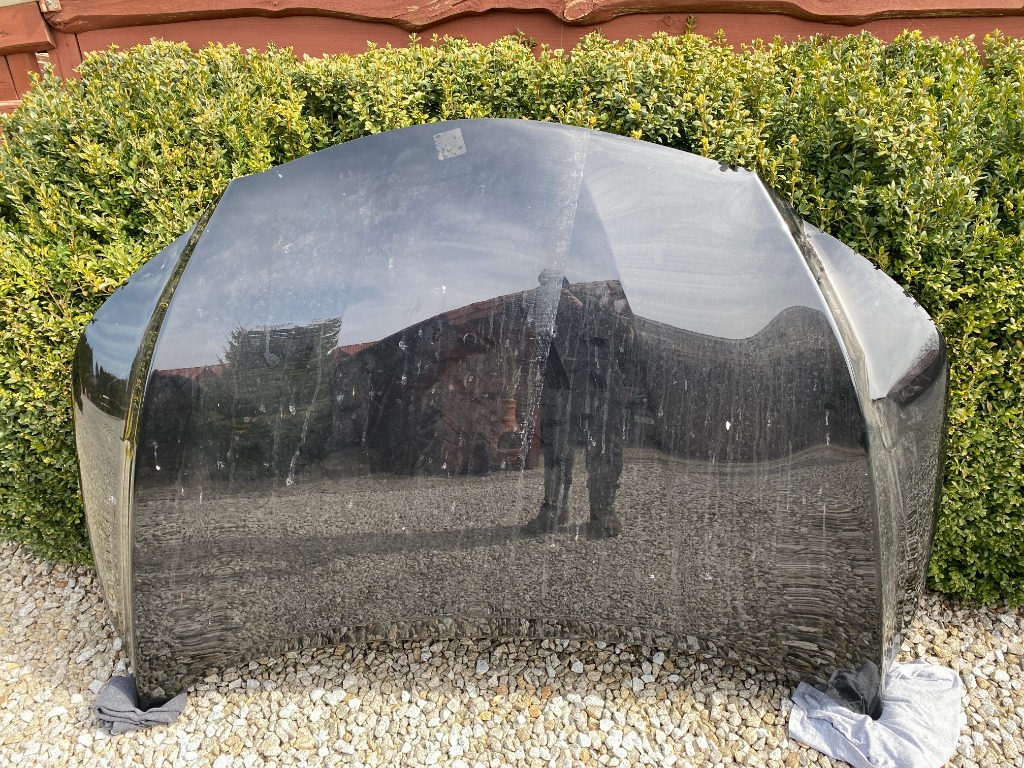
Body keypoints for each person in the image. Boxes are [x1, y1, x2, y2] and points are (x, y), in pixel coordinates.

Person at [522, 271, 635, 538]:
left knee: (605, 447)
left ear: (568, 287)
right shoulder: (541, 310)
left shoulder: (595, 298)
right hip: (561, 383)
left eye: (557, 288)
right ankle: (554, 508)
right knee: (557, 448)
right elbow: (532, 340)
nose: (553, 293)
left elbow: (625, 331)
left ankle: (602, 511)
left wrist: (583, 309)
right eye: (547, 287)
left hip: (601, 382)